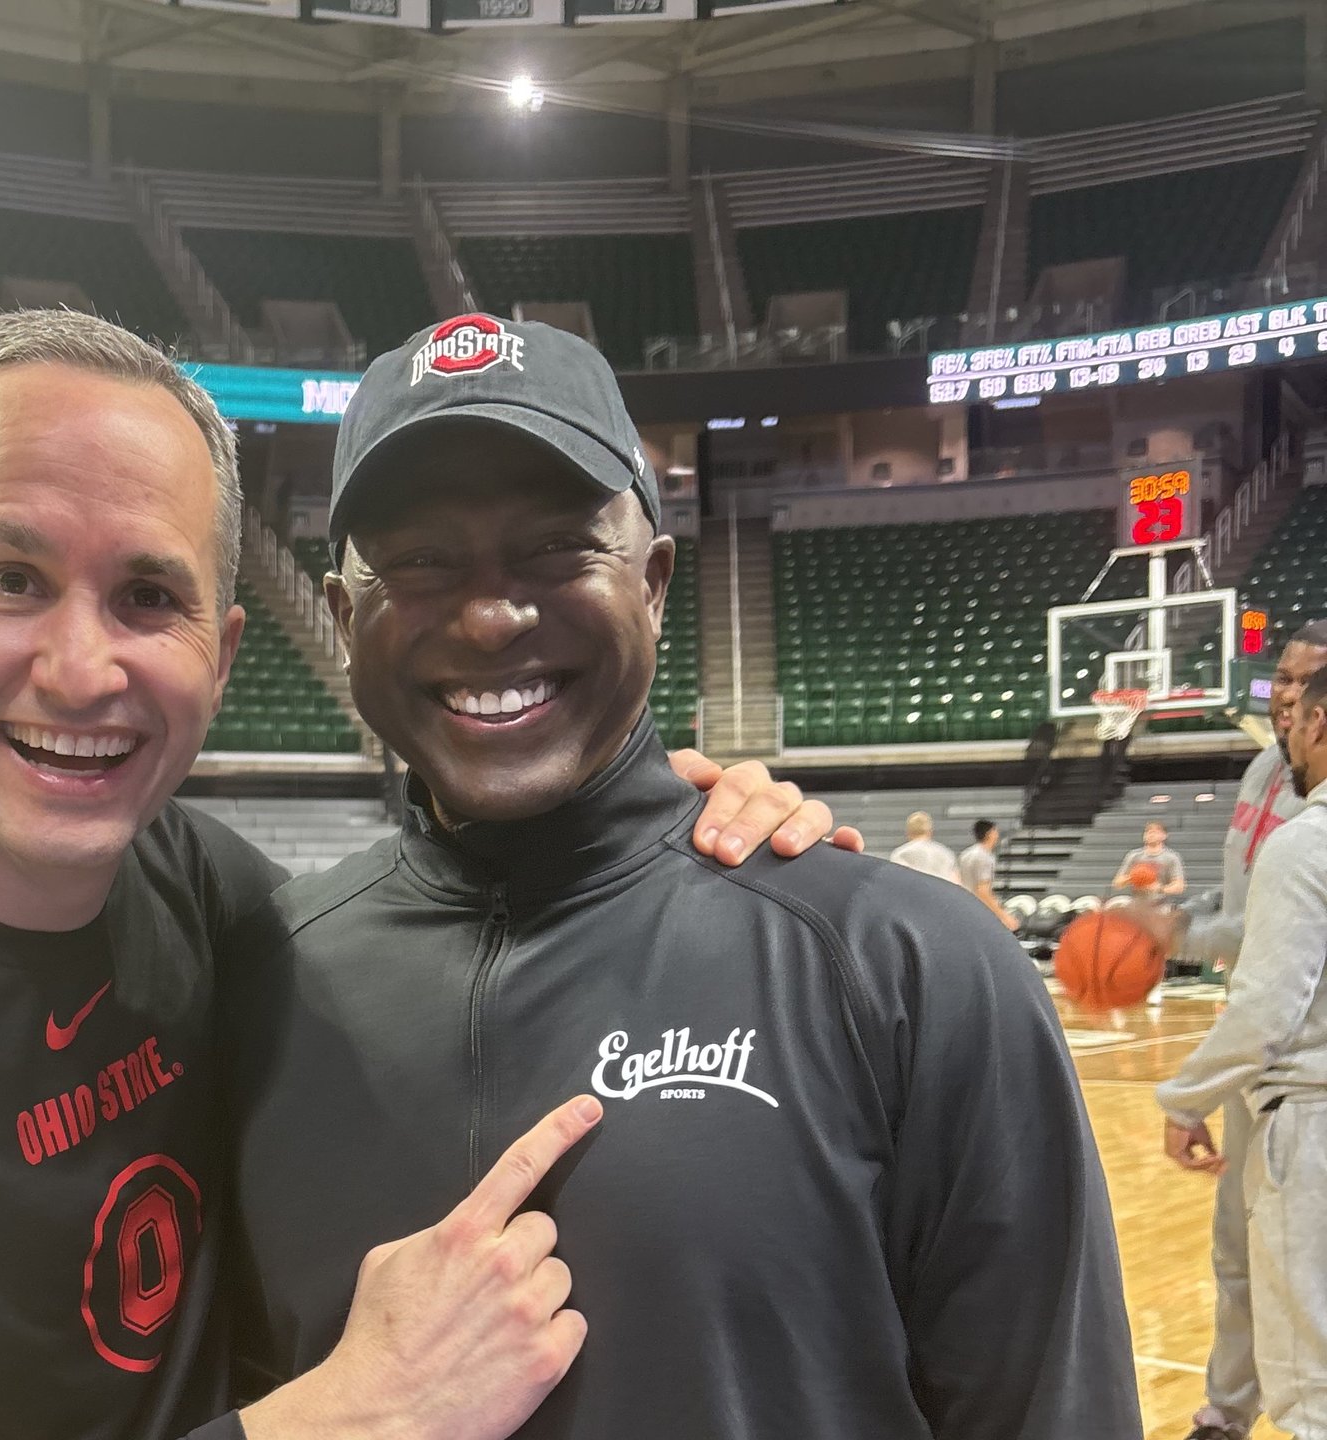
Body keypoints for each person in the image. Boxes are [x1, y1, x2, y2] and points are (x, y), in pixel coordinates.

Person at [0, 309, 843, 1440]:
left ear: (222, 653)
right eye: (12, 580)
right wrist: (356, 1413)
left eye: (146, 596)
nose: (82, 670)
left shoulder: (198, 889)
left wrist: (662, 822)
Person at [224, 316, 1141, 1439]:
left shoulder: (911, 970)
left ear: (654, 583)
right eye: (418, 561)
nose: (489, 612)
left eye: (558, 548)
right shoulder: (260, 982)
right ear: (339, 615)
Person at [1148, 620, 1327, 1440]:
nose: (1286, 697)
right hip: (1276, 1074)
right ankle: (1225, 1411)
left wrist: (1185, 1095)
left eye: (1306, 683)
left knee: (1312, 1387)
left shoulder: (1305, 839)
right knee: (1239, 1257)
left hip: (1301, 1090)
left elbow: (1268, 996)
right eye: (1280, 678)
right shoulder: (1266, 775)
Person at [959, 819, 1018, 930]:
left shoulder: (965, 854)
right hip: (978, 910)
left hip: (964, 905)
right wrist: (1004, 915)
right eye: (995, 831)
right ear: (989, 834)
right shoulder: (985, 857)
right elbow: (983, 891)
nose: (997, 834)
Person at [888, 809, 961, 884]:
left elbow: (897, 881)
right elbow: (956, 882)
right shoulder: (946, 853)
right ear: (930, 831)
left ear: (908, 832)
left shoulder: (901, 854)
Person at [1115, 820, 1186, 895]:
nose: (1151, 834)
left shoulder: (1171, 857)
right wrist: (1133, 877)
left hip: (1161, 901)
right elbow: (1117, 883)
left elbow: (1179, 886)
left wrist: (1160, 888)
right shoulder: (1133, 855)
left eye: (1155, 831)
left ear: (1164, 835)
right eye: (1148, 831)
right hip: (1137, 900)